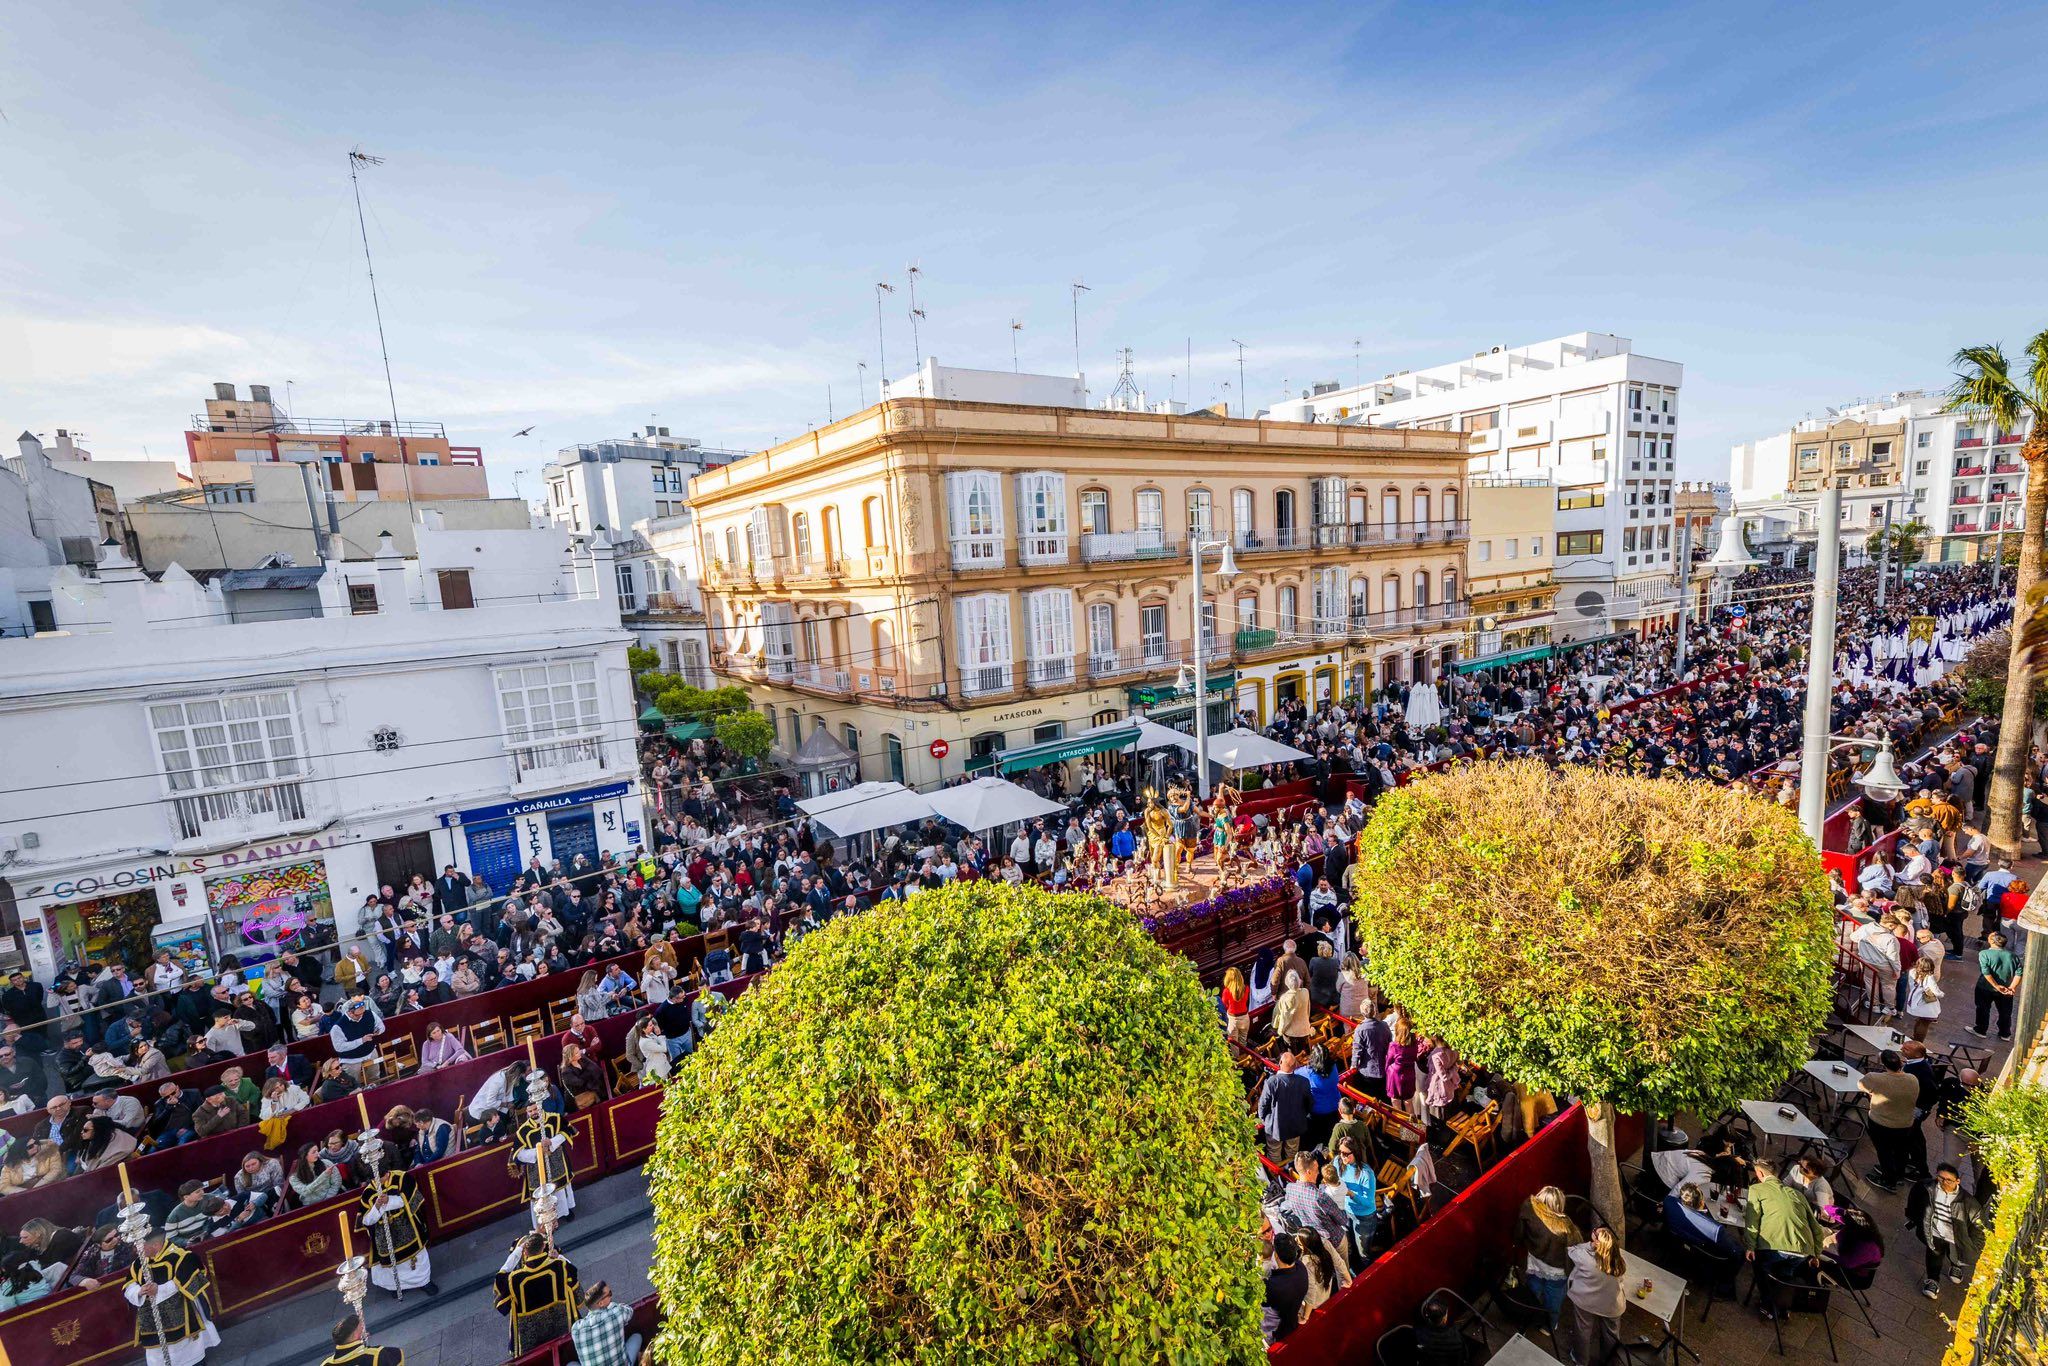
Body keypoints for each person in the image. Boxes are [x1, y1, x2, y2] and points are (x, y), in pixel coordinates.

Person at [126, 1226, 219, 1366]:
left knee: (190, 1359)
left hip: (181, 1317)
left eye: (140, 1246)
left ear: (156, 1245)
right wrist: (139, 1291)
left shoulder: (181, 1257)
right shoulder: (139, 1263)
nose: (137, 1250)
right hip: (153, 1324)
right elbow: (129, 1285)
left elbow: (192, 1280)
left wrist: (160, 1289)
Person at [1906, 1163, 1985, 1299]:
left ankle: (1956, 1266)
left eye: (1949, 1180)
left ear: (1957, 1181)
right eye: (1941, 1178)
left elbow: (1978, 1226)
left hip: (1955, 1236)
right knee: (1934, 1255)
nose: (1944, 1182)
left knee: (1955, 1253)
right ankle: (1933, 1280)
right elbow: (1914, 1200)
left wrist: (1974, 1246)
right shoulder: (1926, 1188)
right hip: (1934, 1232)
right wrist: (1913, 1218)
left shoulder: (1968, 1202)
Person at [494, 1232, 581, 1354]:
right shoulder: (559, 1266)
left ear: (525, 1252)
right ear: (543, 1247)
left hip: (530, 1336)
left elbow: (499, 1281)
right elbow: (573, 1271)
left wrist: (517, 1252)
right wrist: (559, 1256)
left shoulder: (515, 1279)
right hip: (560, 1327)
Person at [359, 1168, 437, 1297]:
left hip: (407, 1227)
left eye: (381, 1178)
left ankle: (424, 1282)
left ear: (386, 1173)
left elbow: (413, 1199)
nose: (378, 1182)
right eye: (374, 1179)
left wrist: (390, 1200)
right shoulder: (368, 1193)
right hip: (384, 1235)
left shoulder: (402, 1178)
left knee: (416, 1258)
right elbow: (366, 1220)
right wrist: (377, 1206)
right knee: (392, 1264)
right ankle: (397, 1286)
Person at [1860, 1049, 1927, 1190]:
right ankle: (1898, 1175)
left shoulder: (1875, 1077)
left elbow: (1861, 1085)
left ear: (1883, 1064)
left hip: (1881, 1122)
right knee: (1901, 1151)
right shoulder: (1912, 1079)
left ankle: (1888, 1181)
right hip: (1905, 1123)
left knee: (1884, 1151)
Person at [1516, 1186, 1580, 1333]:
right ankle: (1549, 1326)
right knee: (1553, 1301)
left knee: (1532, 1293)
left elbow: (1519, 1234)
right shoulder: (1565, 1227)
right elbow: (1575, 1251)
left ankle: (1529, 1319)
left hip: (1534, 1264)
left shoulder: (1527, 1210)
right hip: (1557, 1272)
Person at [1563, 1225, 1627, 1366]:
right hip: (1612, 1305)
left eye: (1595, 1233)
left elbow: (1572, 1250)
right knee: (1611, 1335)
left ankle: (1581, 1360)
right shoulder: (1619, 1261)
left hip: (1586, 1301)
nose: (1593, 1232)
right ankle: (1610, 1361)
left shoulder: (1584, 1257)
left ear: (1597, 1242)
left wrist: (1590, 1245)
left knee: (1583, 1331)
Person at [515, 1101, 577, 1226]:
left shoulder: (555, 1118)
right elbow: (519, 1154)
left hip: (556, 1161)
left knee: (560, 1188)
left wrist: (552, 1142)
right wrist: (538, 1151)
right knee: (541, 1194)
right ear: (527, 1112)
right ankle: (545, 1222)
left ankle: (565, 1211)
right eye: (530, 1111)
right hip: (537, 1167)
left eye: (535, 1109)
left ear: (540, 1107)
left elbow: (566, 1132)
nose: (533, 1113)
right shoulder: (522, 1131)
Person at [1257, 1048, 1313, 1165]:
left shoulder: (1272, 1082)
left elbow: (1262, 1105)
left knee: (1274, 1152)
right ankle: (1290, 1169)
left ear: (1280, 1062)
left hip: (1275, 1127)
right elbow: (1309, 1103)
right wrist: (1302, 1115)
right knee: (1292, 1152)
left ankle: (1276, 1173)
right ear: (1295, 1066)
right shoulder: (1303, 1081)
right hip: (1295, 1125)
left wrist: (1264, 1120)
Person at [569, 1280, 642, 1366]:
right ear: (601, 1303)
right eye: (609, 1294)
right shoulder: (616, 1313)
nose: (611, 1296)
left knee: (571, 1364)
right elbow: (629, 1311)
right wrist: (611, 1305)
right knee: (637, 1337)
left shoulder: (576, 1329)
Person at [1333, 1133, 1378, 1265]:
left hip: (1364, 1217)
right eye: (1340, 1152)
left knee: (1363, 1252)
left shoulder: (1366, 1173)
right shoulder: (1338, 1162)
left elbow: (1369, 1202)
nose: (1342, 1156)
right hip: (1345, 1210)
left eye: (1346, 1154)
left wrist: (1350, 1193)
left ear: (1356, 1153)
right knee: (1350, 1245)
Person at [1665, 1183, 1743, 1255]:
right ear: (1701, 1203)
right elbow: (1735, 1251)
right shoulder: (1716, 1229)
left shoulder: (1668, 1201)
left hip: (1678, 1244)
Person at [1970, 931, 2021, 1040]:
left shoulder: (1984, 954)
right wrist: (2012, 987)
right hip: (2006, 989)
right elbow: (2019, 973)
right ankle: (2005, 1033)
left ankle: (1981, 1030)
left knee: (1983, 1009)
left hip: (1985, 987)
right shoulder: (2013, 956)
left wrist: (1996, 986)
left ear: (1992, 941)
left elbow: (1986, 972)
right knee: (2005, 1012)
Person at [1261, 1231, 1308, 1344]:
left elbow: (1263, 1306)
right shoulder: (1301, 1268)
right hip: (1292, 1319)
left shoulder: (1273, 1286)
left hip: (1278, 1331)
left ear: (1276, 1255)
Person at [323, 1313, 405, 1366]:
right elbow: (396, 1354)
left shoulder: (326, 1364)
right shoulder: (376, 1355)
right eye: (361, 1328)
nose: (363, 1330)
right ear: (356, 1334)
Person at [1903, 955, 1945, 1041]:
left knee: (1919, 1021)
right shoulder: (1929, 977)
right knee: (1925, 1023)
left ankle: (1915, 1038)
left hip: (1915, 999)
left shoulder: (1912, 972)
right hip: (1926, 1004)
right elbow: (1936, 992)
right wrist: (1942, 994)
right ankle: (1918, 1041)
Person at [1272, 971, 1311, 1055]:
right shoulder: (1305, 992)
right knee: (1302, 1052)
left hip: (1290, 1032)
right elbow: (1308, 1009)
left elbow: (1284, 1019)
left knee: (1292, 1054)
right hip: (1304, 1028)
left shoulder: (1284, 998)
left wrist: (1280, 1031)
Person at [1220, 966, 1251, 1046]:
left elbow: (1224, 1005)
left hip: (1233, 1020)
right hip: (1245, 1018)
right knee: (1243, 1042)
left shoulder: (1226, 991)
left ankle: (1238, 1055)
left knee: (1234, 1045)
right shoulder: (1246, 988)